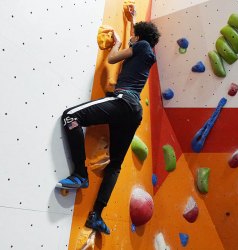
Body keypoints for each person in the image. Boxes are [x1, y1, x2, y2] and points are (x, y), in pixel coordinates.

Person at [56, 7, 160, 234]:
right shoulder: (147, 53)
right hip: (134, 113)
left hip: (123, 102)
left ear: (139, 39)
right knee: (115, 165)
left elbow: (114, 58)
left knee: (70, 117)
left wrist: (117, 42)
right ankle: (96, 215)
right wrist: (132, 22)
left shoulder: (140, 46)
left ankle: (80, 175)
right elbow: (136, 40)